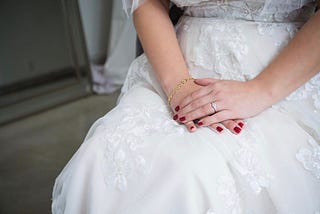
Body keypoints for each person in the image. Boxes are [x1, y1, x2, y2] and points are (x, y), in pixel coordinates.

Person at [52, 0, 320, 213]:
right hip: (176, 68)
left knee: (193, 175)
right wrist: (180, 88)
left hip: (283, 77)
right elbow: (147, 2)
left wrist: (259, 91)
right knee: (100, 157)